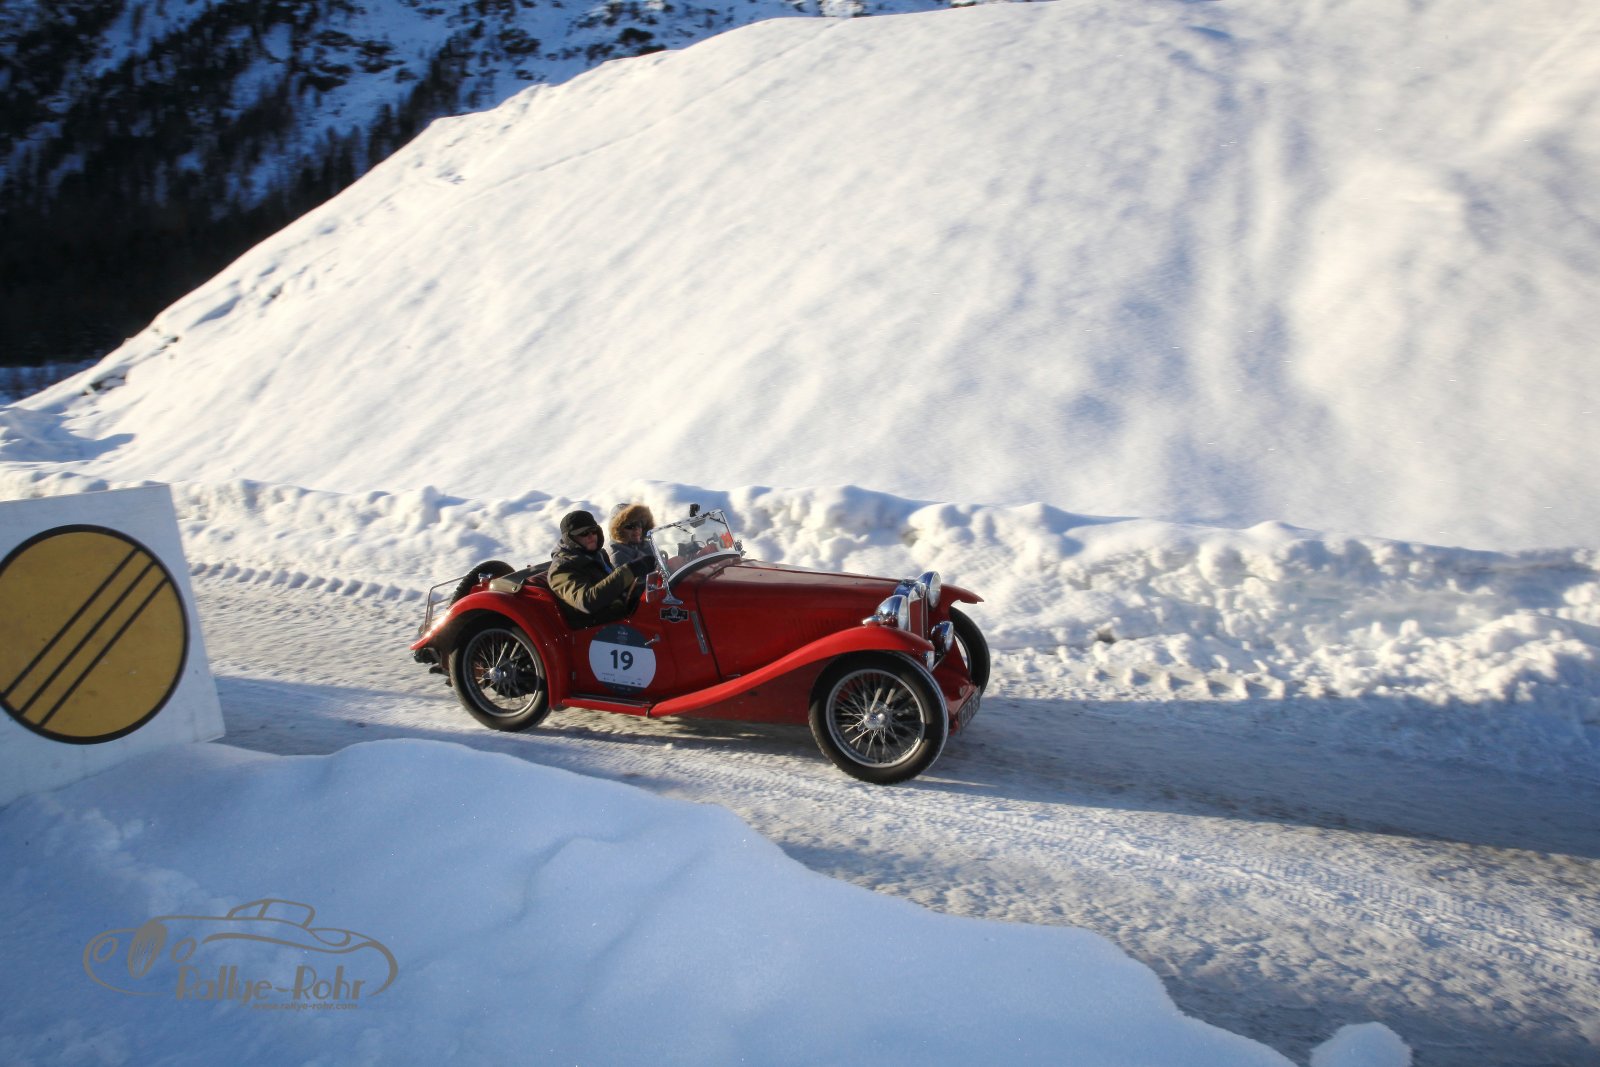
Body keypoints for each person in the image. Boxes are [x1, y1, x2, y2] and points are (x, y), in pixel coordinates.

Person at [548, 510, 654, 626]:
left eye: (593, 531)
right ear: (570, 539)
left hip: (620, 617)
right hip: (596, 628)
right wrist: (630, 570)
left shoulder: (597, 555)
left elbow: (613, 588)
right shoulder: (561, 568)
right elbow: (587, 602)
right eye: (583, 533)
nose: (591, 536)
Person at [608, 503, 657, 571]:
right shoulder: (618, 556)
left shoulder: (645, 544)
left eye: (639, 523)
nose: (637, 529)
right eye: (630, 525)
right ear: (618, 530)